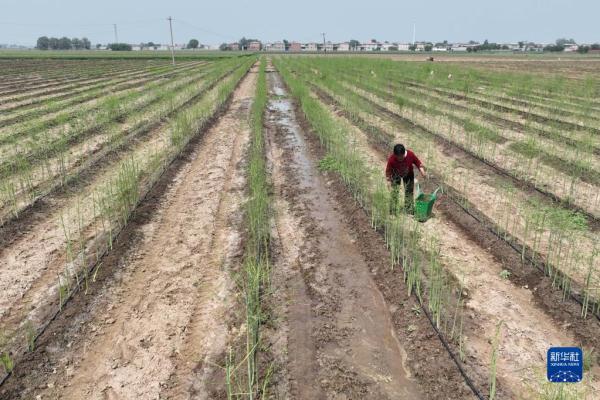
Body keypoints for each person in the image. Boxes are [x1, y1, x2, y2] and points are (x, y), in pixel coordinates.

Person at [385, 144, 426, 215]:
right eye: (398, 157)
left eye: (401, 157)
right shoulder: (392, 159)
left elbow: (417, 162)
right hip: (396, 174)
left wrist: (422, 170)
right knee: (394, 192)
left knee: (409, 191)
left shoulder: (410, 155)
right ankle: (393, 210)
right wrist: (389, 181)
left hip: (408, 174)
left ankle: (408, 209)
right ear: (395, 155)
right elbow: (388, 170)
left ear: (404, 153)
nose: (400, 159)